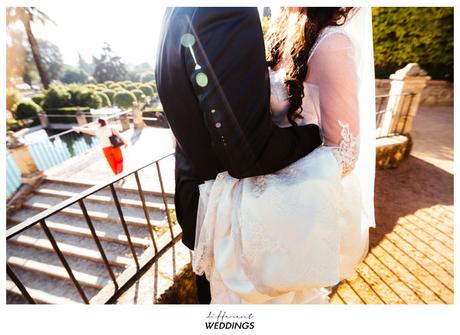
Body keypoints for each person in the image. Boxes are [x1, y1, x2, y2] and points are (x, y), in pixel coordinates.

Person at [192, 7, 376, 303]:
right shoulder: (283, 34)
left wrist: (267, 190)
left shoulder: (332, 43)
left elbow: (345, 150)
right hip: (251, 189)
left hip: (286, 209)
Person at [155, 7, 323, 304]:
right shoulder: (227, 10)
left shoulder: (174, 9)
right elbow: (249, 153)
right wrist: (315, 134)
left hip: (198, 202)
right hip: (227, 218)